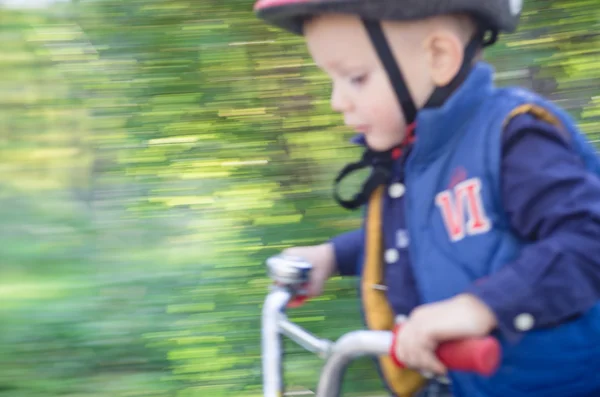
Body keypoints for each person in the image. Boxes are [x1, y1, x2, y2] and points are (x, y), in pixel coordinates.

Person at [253, 0, 600, 396]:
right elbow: (421, 236)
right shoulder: (412, 159)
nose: (338, 101)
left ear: (439, 57)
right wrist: (332, 256)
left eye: (356, 78)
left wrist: (479, 307)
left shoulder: (511, 138)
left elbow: (587, 241)